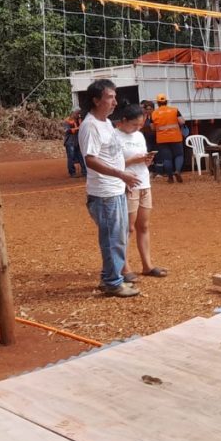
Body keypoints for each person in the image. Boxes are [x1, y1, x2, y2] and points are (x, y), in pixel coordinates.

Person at [79, 79, 141, 297]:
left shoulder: (105, 123)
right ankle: (112, 282)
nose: (115, 102)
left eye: (115, 97)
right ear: (96, 101)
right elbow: (91, 160)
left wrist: (123, 180)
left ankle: (111, 278)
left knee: (119, 236)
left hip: (115, 189)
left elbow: (113, 156)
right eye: (109, 97)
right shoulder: (91, 126)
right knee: (112, 238)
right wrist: (120, 174)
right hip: (104, 194)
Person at [114, 104, 167, 282]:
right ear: (123, 121)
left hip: (143, 182)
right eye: (134, 125)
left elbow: (141, 161)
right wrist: (132, 160)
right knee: (127, 228)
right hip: (127, 185)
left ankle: (147, 265)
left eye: (140, 125)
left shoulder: (139, 135)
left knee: (143, 226)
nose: (137, 128)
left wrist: (146, 160)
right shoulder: (114, 137)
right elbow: (113, 166)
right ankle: (124, 266)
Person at [151, 92, 186, 183]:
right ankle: (177, 171)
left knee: (167, 158)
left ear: (158, 103)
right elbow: (182, 122)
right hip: (175, 138)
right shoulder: (174, 110)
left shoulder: (154, 113)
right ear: (166, 101)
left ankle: (170, 177)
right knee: (179, 155)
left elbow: (152, 128)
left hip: (162, 139)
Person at [62, 108, 86, 178]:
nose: (78, 115)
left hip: (78, 141)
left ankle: (84, 172)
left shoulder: (79, 120)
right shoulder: (67, 121)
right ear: (73, 113)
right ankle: (72, 173)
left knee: (81, 156)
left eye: (79, 113)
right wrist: (79, 128)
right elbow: (69, 131)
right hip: (70, 142)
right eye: (77, 113)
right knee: (71, 157)